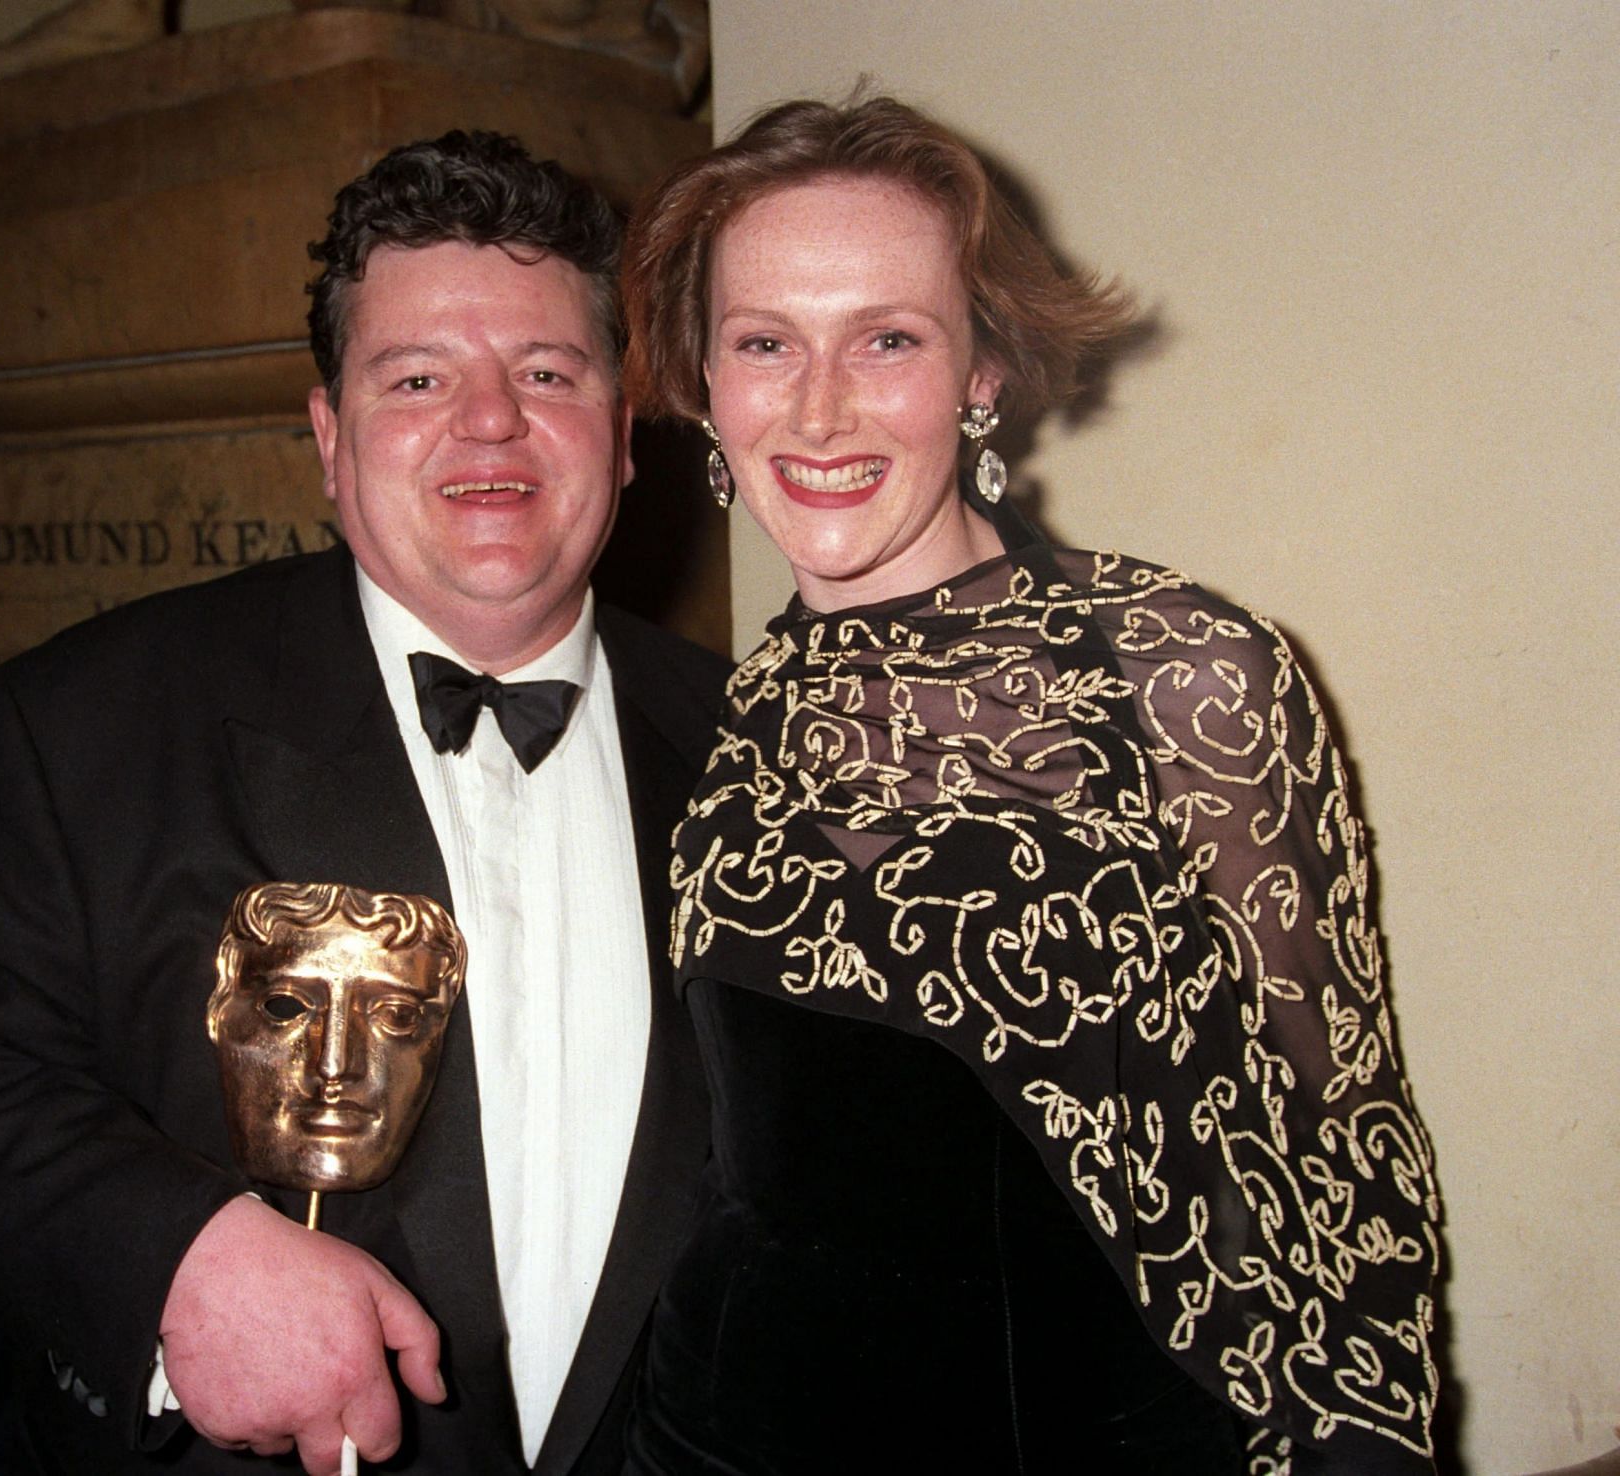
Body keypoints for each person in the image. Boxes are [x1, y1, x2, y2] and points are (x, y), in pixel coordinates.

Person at [0, 130, 728, 1476]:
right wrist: (177, 1259)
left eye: (548, 372)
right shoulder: (89, 721)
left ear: (621, 425)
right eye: (416, 376)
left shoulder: (752, 749)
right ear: (328, 435)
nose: (490, 420)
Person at [617, 94, 1441, 1474]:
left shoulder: (1185, 676)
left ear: (983, 369)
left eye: (888, 338)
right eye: (766, 342)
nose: (819, 405)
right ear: (706, 378)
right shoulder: (732, 706)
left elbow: (1338, 1129)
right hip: (724, 1438)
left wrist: (1364, 1448)